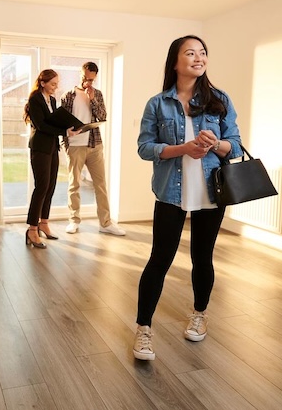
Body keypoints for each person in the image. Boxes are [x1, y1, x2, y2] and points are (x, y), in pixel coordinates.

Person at [133, 35, 242, 360]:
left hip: (211, 191)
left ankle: (199, 313)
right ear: (175, 61)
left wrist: (215, 144)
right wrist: (183, 148)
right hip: (171, 192)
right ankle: (143, 329)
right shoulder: (157, 104)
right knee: (159, 260)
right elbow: (144, 148)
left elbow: (235, 145)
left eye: (203, 52)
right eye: (191, 53)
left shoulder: (219, 99)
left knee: (202, 258)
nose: (199, 58)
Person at [60, 62, 125, 236]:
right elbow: (62, 122)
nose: (88, 82)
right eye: (85, 78)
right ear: (80, 74)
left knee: (100, 185)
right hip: (74, 146)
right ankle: (74, 221)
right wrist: (66, 143)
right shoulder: (68, 96)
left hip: (94, 144)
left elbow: (102, 116)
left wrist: (93, 99)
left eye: (91, 80)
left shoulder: (97, 94)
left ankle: (106, 223)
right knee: (74, 185)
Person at [23, 69, 76, 248]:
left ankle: (44, 223)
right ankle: (32, 229)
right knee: (41, 187)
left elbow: (52, 122)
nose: (55, 87)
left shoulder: (52, 100)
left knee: (51, 186)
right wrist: (64, 132)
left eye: (56, 84)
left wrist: (69, 126)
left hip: (52, 147)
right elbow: (41, 125)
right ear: (43, 83)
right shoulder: (35, 99)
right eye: (53, 84)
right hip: (40, 148)